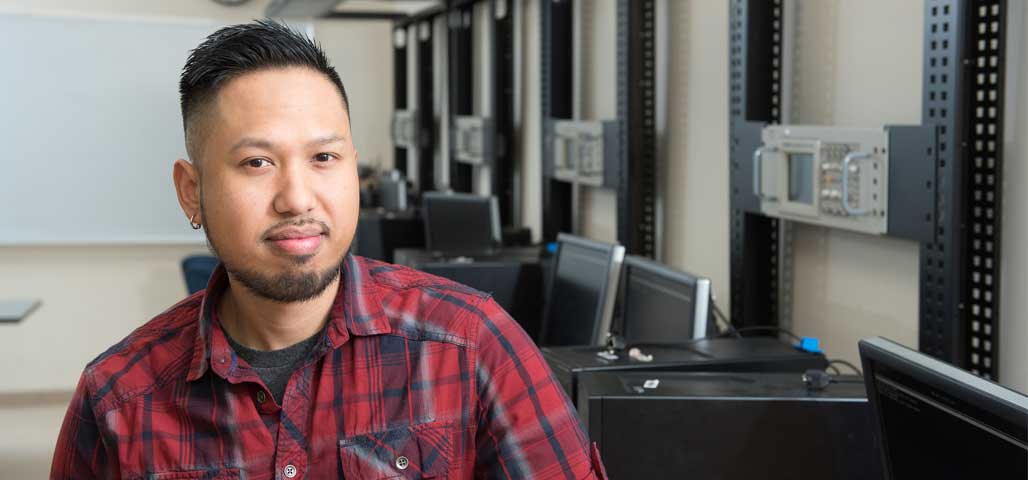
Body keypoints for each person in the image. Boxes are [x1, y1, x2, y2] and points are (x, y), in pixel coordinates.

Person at [51, 20, 606, 479]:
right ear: (191, 191)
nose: (297, 199)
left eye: (323, 159)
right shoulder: (120, 397)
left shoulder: (470, 345)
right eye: (257, 163)